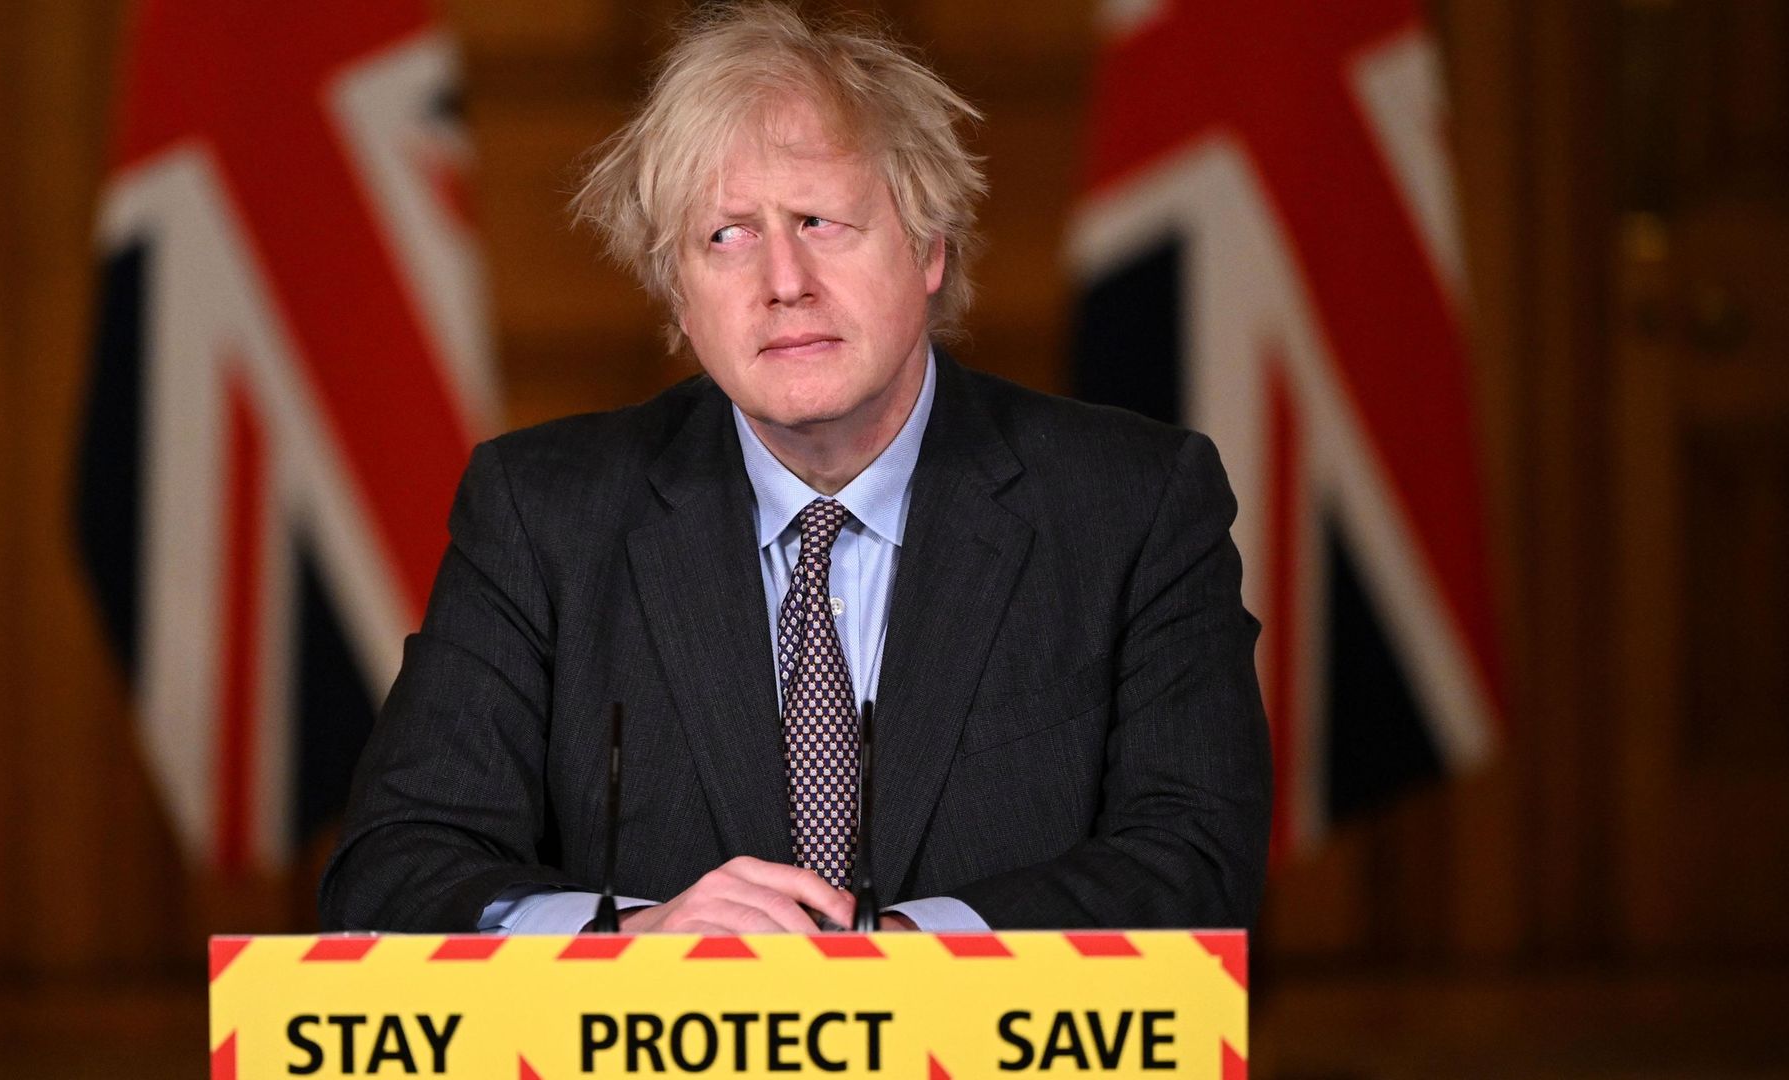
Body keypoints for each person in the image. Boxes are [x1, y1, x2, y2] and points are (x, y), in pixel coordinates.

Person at [320, 1, 1270, 935]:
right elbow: (395, 867)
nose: (783, 282)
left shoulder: (1133, 504)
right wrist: (627, 941)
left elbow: (1194, 859)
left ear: (929, 247)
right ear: (680, 296)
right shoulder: (541, 515)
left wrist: (896, 962)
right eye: (727, 236)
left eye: (820, 220)